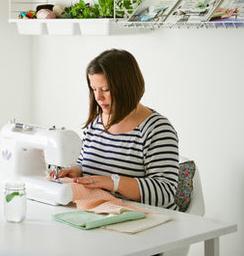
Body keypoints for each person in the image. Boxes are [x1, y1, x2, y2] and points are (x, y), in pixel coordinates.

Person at [54, 49, 180, 210]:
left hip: (147, 220)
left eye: (105, 89)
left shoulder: (157, 129)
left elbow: (164, 193)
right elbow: (85, 164)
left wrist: (113, 182)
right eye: (94, 89)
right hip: (105, 213)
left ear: (127, 87)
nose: (98, 98)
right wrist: (76, 172)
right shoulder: (96, 124)